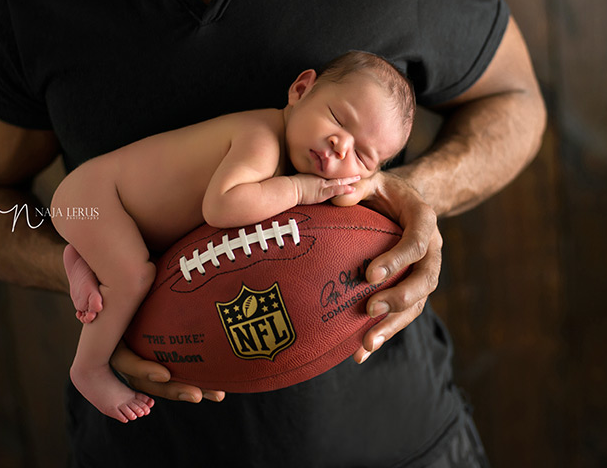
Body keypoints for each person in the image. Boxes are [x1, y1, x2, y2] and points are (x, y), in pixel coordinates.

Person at [0, 0, 546, 466]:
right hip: (149, 446)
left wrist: (400, 196)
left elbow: (514, 101)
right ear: (301, 89)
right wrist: (95, 284)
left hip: (401, 439)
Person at [53, 52, 415, 423]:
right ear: (301, 90)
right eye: (338, 119)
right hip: (95, 198)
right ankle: (89, 369)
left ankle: (81, 261)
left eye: (363, 156)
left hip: (109, 210)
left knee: (132, 265)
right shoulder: (262, 140)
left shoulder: (283, 149)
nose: (341, 146)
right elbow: (222, 208)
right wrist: (299, 191)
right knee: (134, 277)